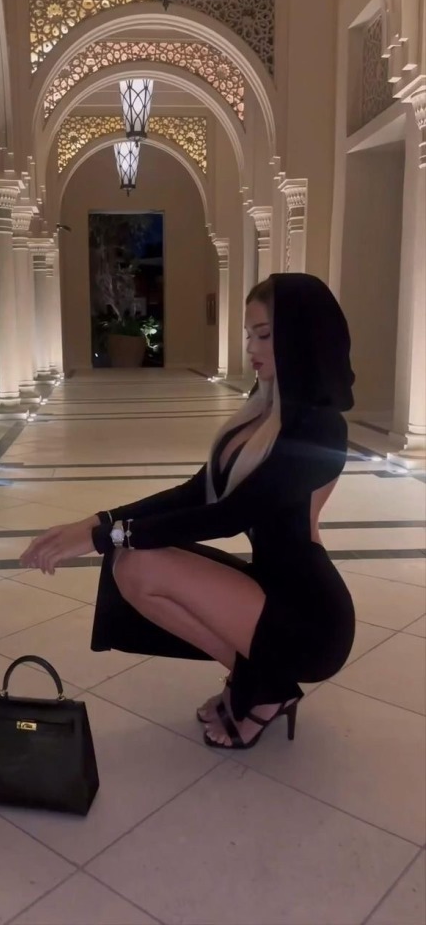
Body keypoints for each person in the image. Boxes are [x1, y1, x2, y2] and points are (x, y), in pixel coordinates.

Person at [21, 273, 356, 750]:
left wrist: (103, 537)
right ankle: (261, 684)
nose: (251, 347)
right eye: (249, 334)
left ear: (300, 336)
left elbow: (228, 517)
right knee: (130, 565)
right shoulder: (263, 411)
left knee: (134, 555)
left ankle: (263, 691)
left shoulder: (322, 428)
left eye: (264, 334)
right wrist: (98, 523)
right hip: (267, 586)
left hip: (311, 620)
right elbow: (195, 495)